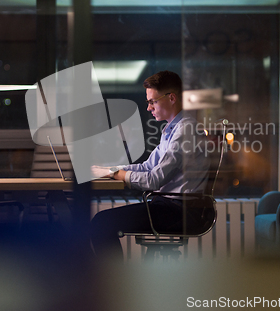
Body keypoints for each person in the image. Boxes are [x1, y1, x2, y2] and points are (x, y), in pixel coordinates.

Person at [89, 70, 213, 260]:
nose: (148, 108)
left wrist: (116, 174)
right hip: (171, 206)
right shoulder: (172, 129)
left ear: (171, 98)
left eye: (152, 102)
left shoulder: (185, 129)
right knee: (102, 222)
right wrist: (110, 170)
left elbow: (154, 180)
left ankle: (114, 286)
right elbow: (147, 167)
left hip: (180, 211)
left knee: (101, 222)